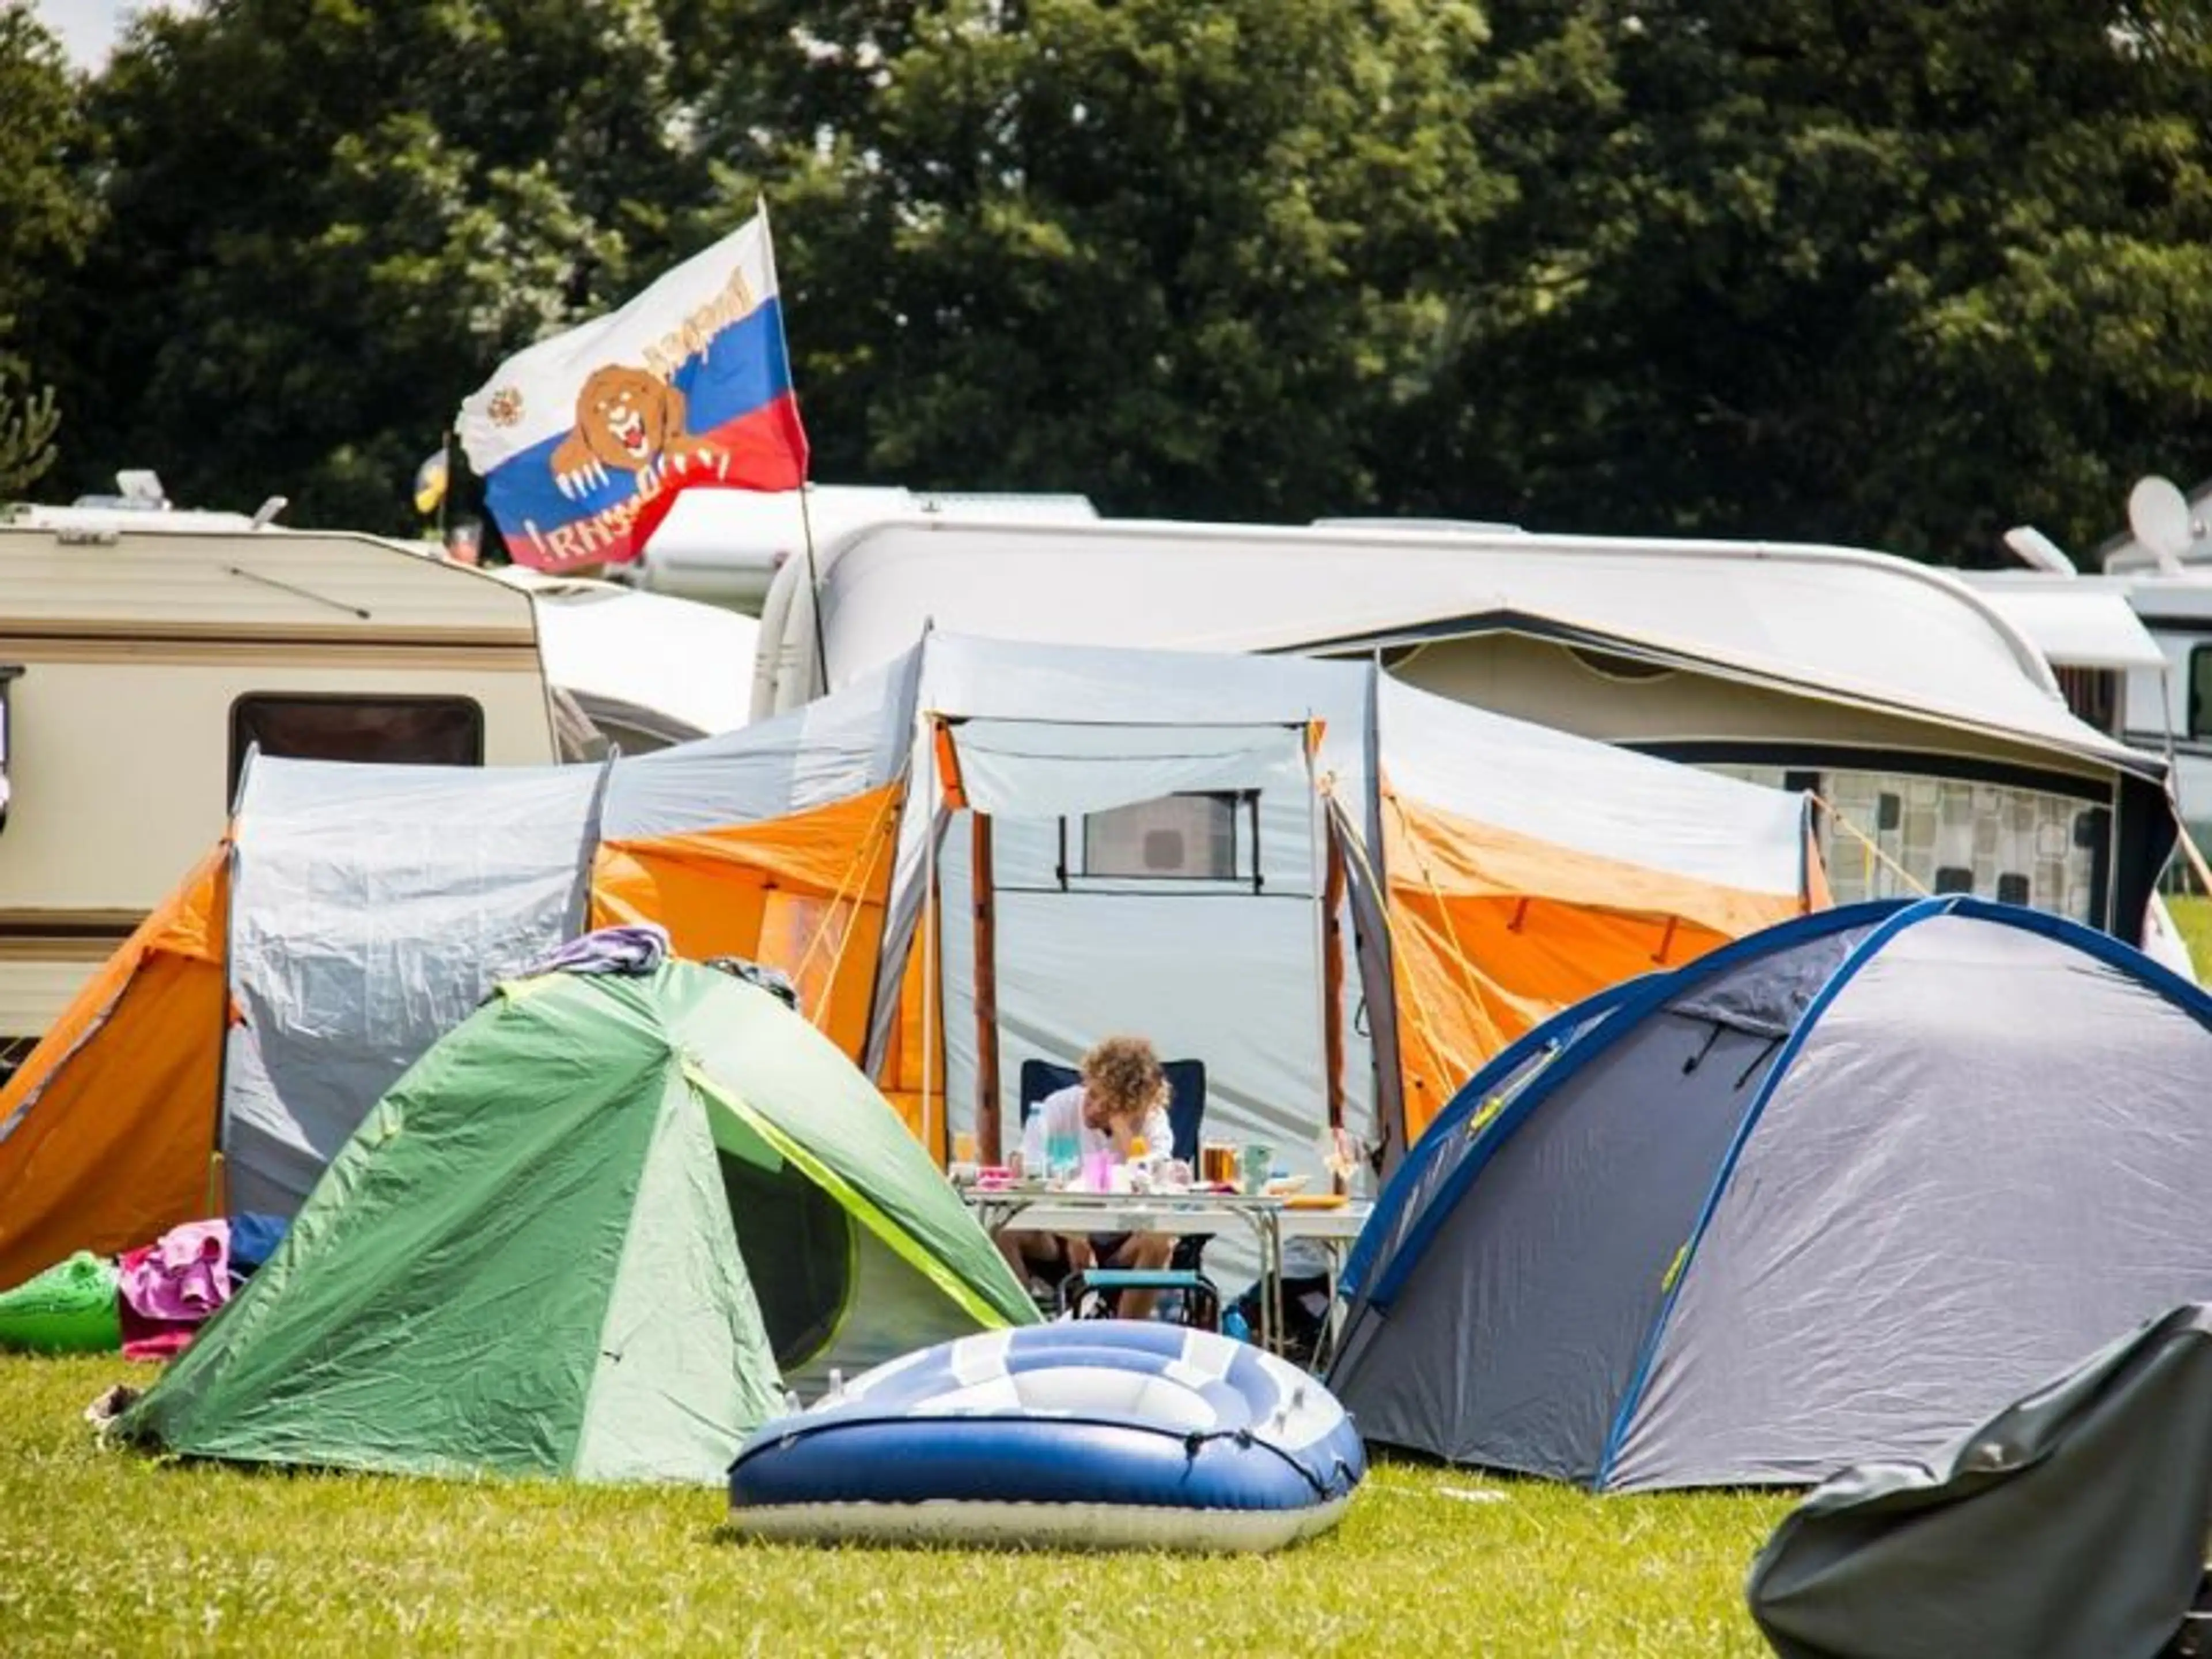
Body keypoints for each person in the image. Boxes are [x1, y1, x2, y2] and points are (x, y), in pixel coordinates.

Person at [998, 1035, 1177, 1319]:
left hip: (1122, 1239)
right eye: (1092, 1094)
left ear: (1131, 1107)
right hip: (1058, 1235)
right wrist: (1074, 1231)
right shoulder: (1059, 1106)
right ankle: (1021, 1328)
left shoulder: (1151, 1121)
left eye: (1108, 1106)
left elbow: (1154, 1177)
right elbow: (1029, 1169)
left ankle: (1125, 1340)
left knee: (1160, 1242)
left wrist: (1123, 1131)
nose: (1092, 1109)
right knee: (1004, 1233)